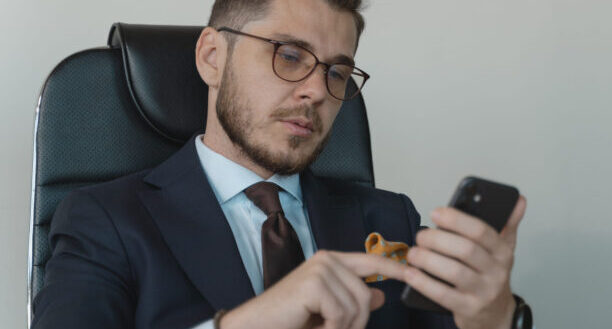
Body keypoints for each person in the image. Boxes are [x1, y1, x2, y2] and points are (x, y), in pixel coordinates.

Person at [30, 0, 528, 328]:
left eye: (337, 70)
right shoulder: (105, 220)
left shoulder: (389, 219)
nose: (317, 90)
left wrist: (494, 317)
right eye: (289, 55)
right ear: (211, 57)